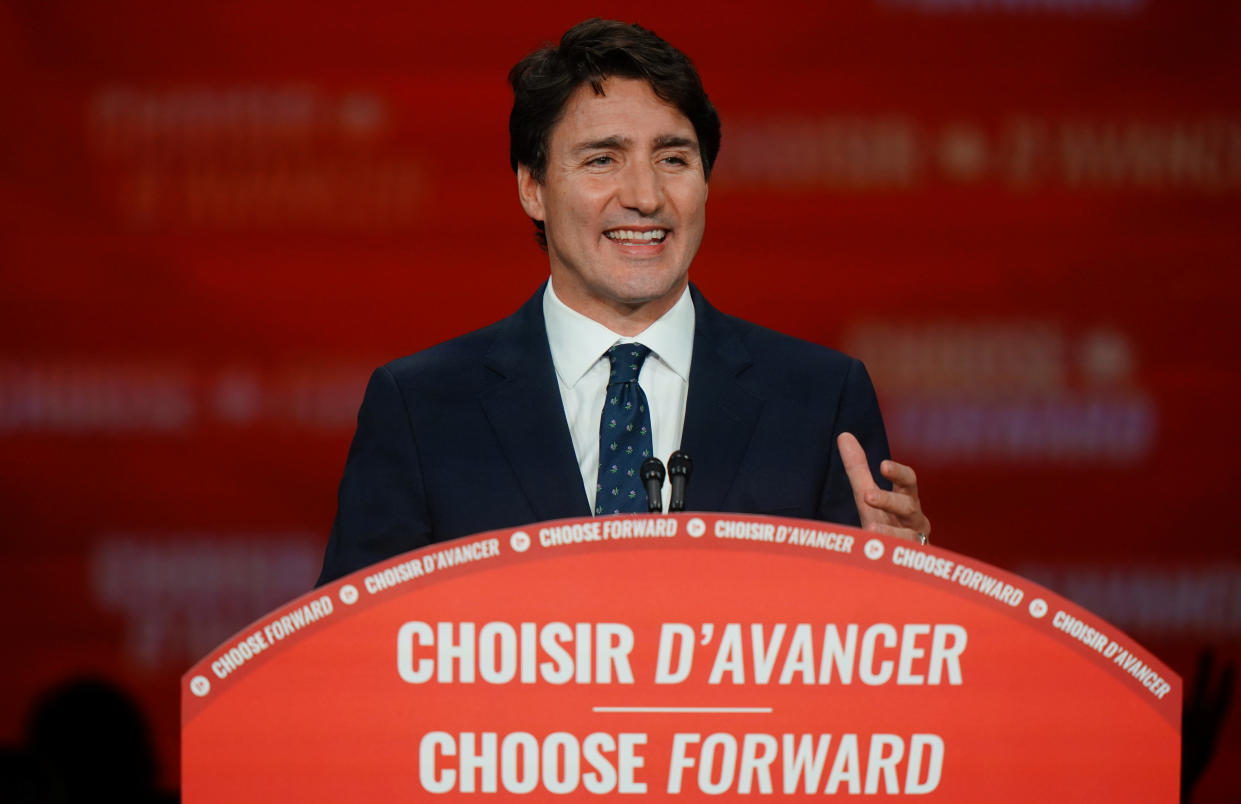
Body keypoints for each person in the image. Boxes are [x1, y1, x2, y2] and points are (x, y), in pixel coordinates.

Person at [316, 18, 930, 585]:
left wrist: (901, 589)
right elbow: (350, 662)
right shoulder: (422, 411)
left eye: (673, 158)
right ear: (532, 187)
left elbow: (866, 665)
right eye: (603, 159)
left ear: (706, 182)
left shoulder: (820, 400)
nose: (644, 196)